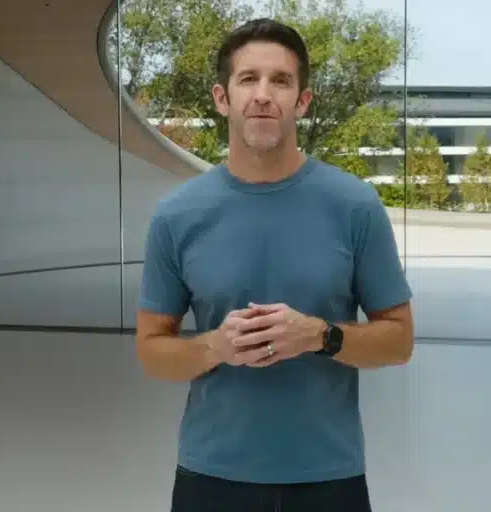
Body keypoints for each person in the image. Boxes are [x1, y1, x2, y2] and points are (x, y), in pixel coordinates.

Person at [134, 17, 414, 512]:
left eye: (281, 80)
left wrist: (321, 336)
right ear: (222, 98)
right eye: (249, 79)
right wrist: (216, 345)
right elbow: (152, 350)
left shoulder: (355, 206)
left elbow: (399, 339)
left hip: (330, 477)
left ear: (302, 102)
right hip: (210, 475)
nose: (263, 94)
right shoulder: (176, 216)